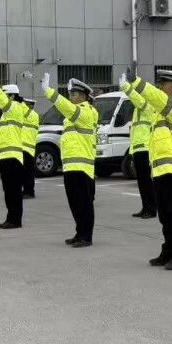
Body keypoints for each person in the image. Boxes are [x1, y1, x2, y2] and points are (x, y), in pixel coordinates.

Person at [120, 68, 172, 270]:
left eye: (164, 83)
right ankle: (168, 251)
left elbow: (154, 96)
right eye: (159, 83)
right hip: (160, 170)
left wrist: (137, 82)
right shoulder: (158, 110)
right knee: (165, 215)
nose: (160, 86)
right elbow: (144, 100)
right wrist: (127, 87)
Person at [42, 73, 98, 247]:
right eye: (71, 94)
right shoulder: (74, 114)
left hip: (81, 166)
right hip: (71, 165)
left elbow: (65, 107)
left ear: (83, 96)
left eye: (74, 94)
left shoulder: (86, 111)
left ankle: (86, 236)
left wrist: (50, 92)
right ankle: (80, 232)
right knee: (75, 203)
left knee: (83, 203)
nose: (71, 97)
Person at [0, 66, 28, 229]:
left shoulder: (14, 107)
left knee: (13, 191)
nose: (3, 98)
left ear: (12, 96)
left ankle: (15, 220)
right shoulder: (6, 114)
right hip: (5, 157)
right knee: (9, 190)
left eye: (5, 95)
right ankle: (11, 218)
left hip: (12, 157)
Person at [125, 77, 157, 219]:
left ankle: (151, 209)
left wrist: (127, 87)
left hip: (145, 148)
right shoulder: (138, 110)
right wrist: (132, 151)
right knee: (142, 181)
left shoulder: (148, 105)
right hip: (138, 149)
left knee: (146, 181)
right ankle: (145, 207)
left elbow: (137, 99)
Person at [21, 98, 40, 199]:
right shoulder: (31, 115)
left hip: (27, 147)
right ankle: (26, 191)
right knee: (25, 172)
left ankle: (29, 192)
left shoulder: (31, 114)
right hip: (27, 147)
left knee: (28, 172)